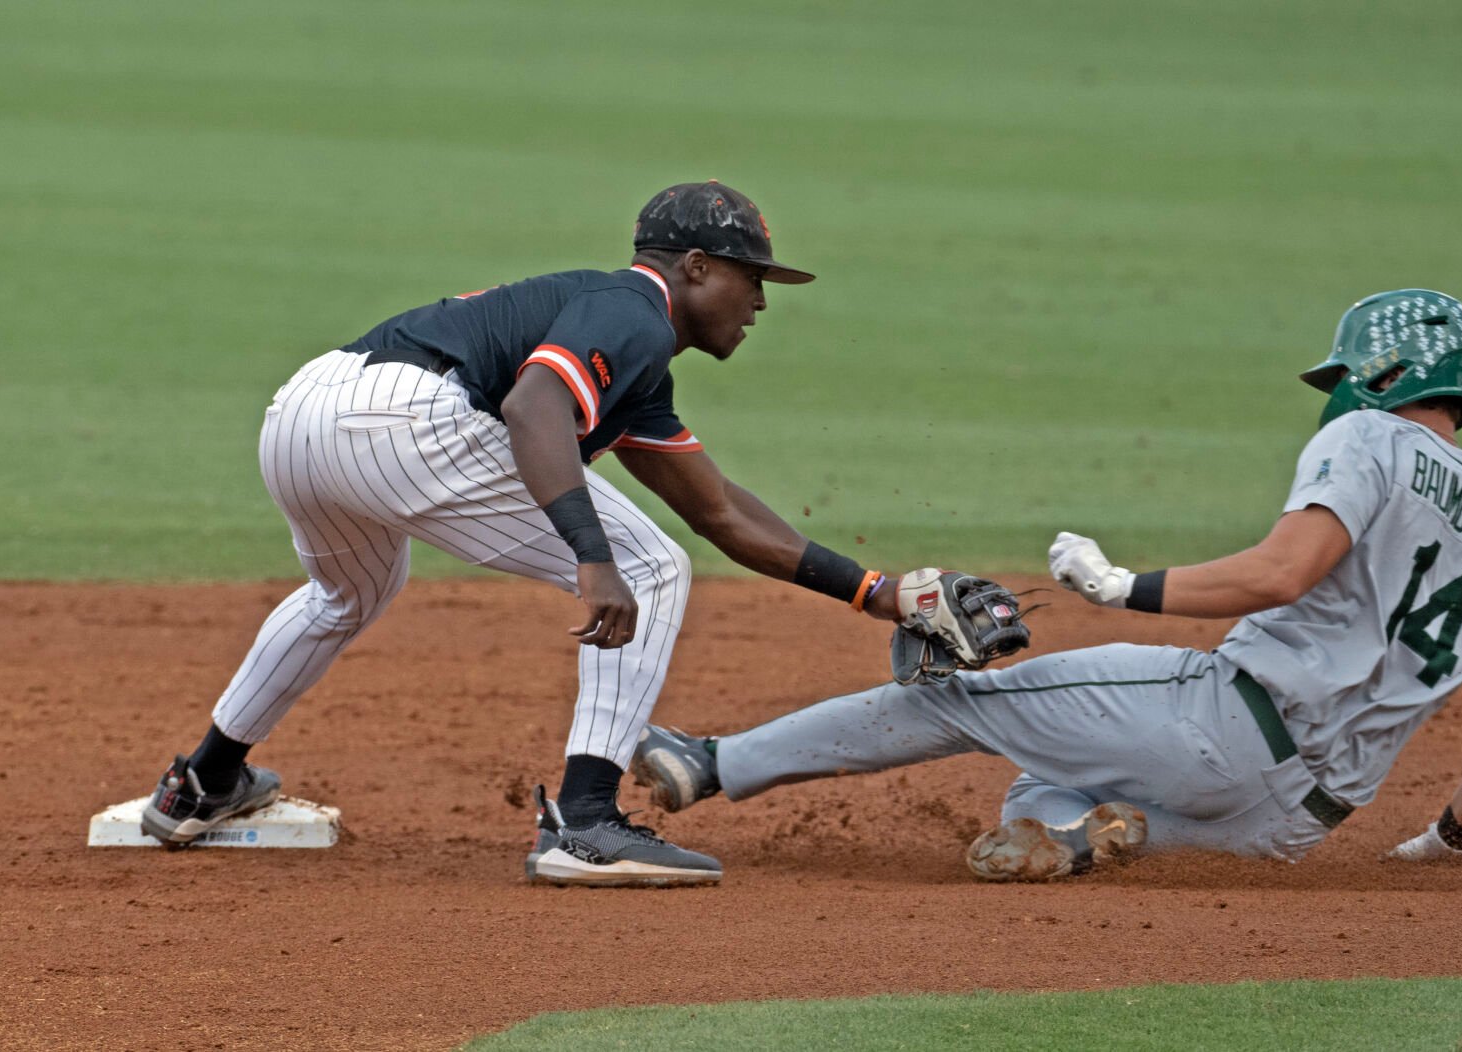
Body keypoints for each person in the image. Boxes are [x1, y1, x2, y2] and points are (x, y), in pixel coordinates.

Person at [140, 181, 929, 888]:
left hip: (303, 417)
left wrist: (876, 594)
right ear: (694, 266)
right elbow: (533, 407)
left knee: (349, 593)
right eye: (751, 278)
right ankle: (587, 825)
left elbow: (720, 509)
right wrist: (592, 557)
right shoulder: (634, 311)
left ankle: (202, 784)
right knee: (649, 569)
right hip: (404, 420)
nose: (760, 302)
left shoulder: (637, 363)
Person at [631, 290, 1462, 880]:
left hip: (1222, 727)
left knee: (964, 700)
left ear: (1386, 375)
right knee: (1039, 791)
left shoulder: (1370, 439)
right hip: (1296, 822)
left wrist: (1124, 587)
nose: (1340, 391)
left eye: (1350, 374)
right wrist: (1448, 841)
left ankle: (711, 763)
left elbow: (1283, 573)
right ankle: (1089, 837)